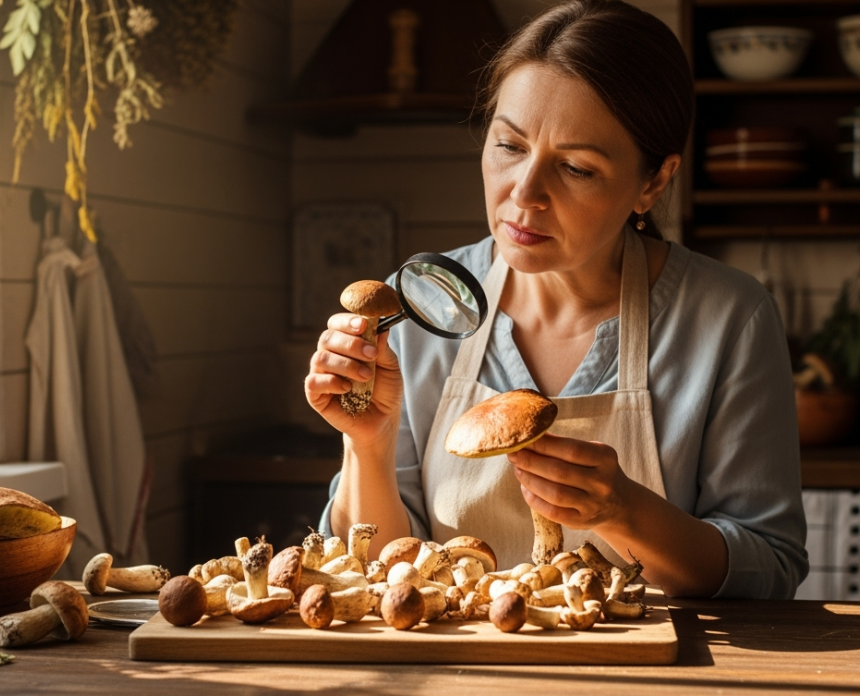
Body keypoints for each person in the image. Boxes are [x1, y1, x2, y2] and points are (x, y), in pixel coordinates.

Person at [305, 0, 807, 599]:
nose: (525, 192)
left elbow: (770, 569)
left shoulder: (731, 319)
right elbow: (377, 571)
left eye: (575, 168)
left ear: (653, 181)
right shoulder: (420, 307)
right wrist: (367, 445)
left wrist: (626, 512)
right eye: (510, 146)